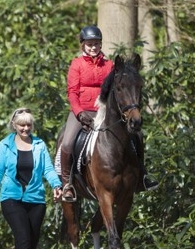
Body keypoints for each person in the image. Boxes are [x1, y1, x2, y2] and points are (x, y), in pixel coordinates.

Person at [60, 25, 158, 202]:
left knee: (138, 136)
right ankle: (67, 184)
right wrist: (79, 112)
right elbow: (72, 92)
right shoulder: (77, 65)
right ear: (83, 45)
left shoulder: (109, 65)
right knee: (67, 143)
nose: (93, 47)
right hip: (81, 111)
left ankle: (141, 177)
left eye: (96, 44)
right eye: (89, 44)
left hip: (104, 112)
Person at [0, 108, 62, 249]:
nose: (25, 128)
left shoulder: (39, 144)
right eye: (22, 124)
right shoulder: (5, 145)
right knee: (22, 234)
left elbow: (48, 169)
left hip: (36, 197)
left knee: (32, 237)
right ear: (15, 125)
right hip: (11, 197)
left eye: (28, 124)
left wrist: (56, 185)